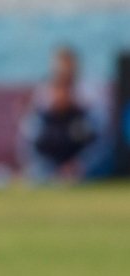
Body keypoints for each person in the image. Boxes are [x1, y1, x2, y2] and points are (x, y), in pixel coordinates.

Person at [19, 46, 109, 183]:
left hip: (81, 163)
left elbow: (99, 139)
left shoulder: (89, 97)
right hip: (50, 166)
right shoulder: (43, 101)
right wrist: (50, 168)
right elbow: (29, 142)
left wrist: (78, 165)